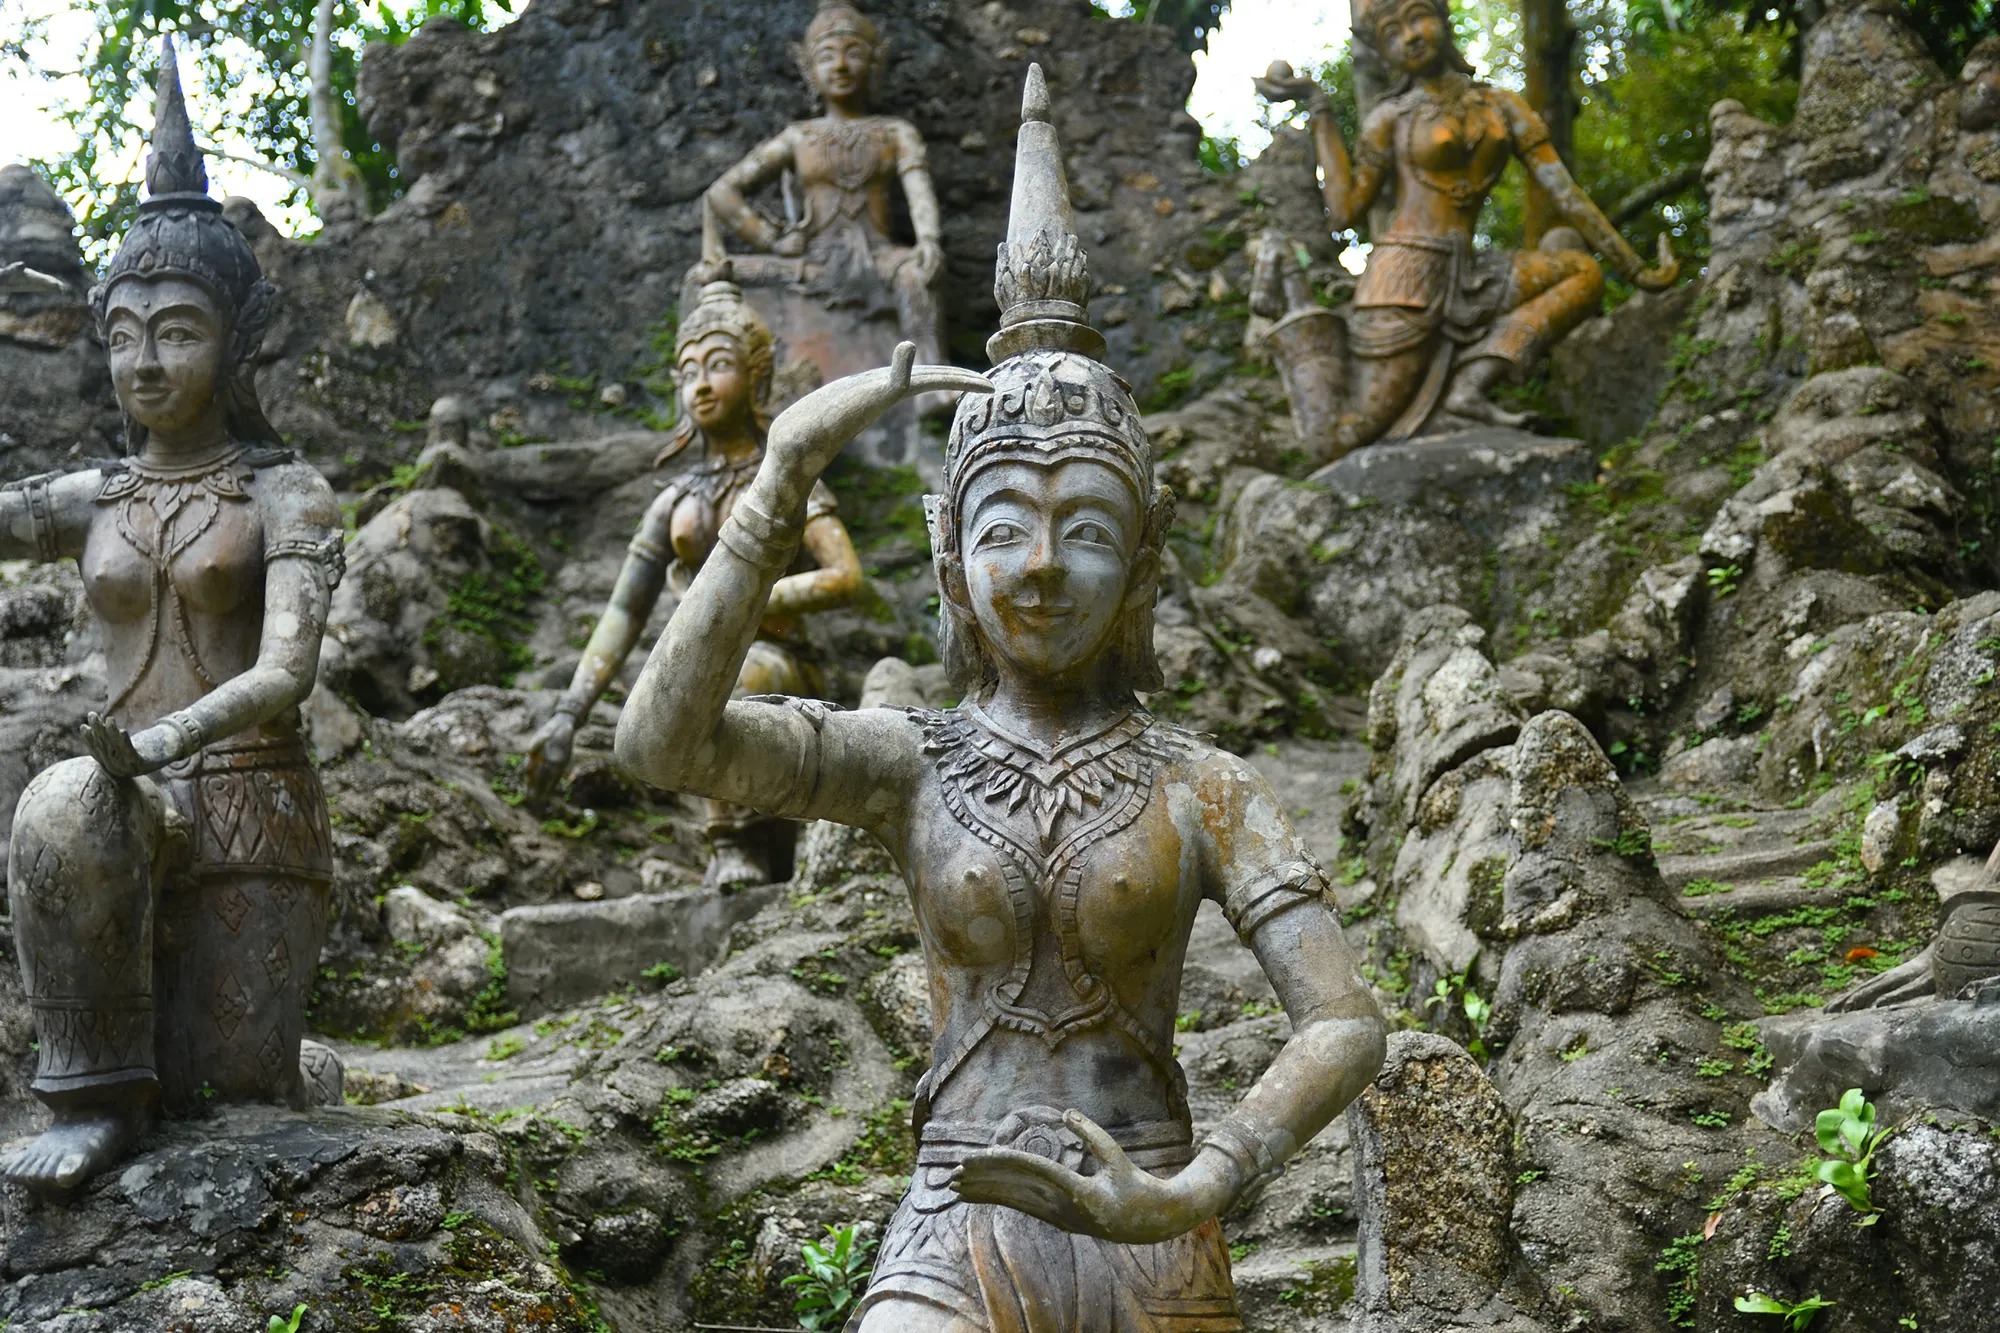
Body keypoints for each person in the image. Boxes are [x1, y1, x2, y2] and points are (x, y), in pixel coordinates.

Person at [614, 66, 1386, 1331]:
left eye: (1083, 527)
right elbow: (661, 745)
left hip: (1151, 1215)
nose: (1038, 565)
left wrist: (1202, 1177)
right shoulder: (906, 761)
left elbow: (1341, 1021)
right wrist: (781, 479)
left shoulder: (1200, 782)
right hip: (954, 1213)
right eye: (1002, 527)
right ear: (949, 568)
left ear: (1141, 563)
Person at [0, 39, 344, 1192]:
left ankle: (309, 1063)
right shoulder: (95, 494)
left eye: (179, 329)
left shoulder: (282, 490)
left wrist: (162, 743)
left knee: (230, 1090)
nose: (145, 361)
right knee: (63, 799)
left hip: (248, 799)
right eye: (123, 333)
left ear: (235, 338)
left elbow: (288, 666)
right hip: (120, 795)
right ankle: (87, 1097)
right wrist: (130, 766)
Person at [523, 270, 863, 888]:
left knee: (741, 671)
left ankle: (738, 843)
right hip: (697, 661)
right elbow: (623, 612)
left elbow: (845, 575)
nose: (701, 385)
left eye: (718, 365)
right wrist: (569, 714)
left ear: (756, 376)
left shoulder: (782, 477)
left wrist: (749, 603)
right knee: (671, 689)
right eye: (687, 372)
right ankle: (724, 844)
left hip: (779, 658)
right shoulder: (676, 499)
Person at [1256, 0, 1680, 449]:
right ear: (1382, 53)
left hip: (1474, 273)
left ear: (1443, 19)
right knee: (1348, 434)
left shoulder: (1502, 104)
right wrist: (1319, 107)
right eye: (1391, 33)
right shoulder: (1389, 118)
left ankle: (1469, 389)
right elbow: (1342, 212)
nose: (1411, 36)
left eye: (1418, 17)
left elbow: (1565, 193)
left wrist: (1635, 269)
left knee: (1582, 273)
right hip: (1404, 280)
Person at [702, 0, 951, 415]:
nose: (840, 66)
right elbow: (722, 192)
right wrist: (772, 240)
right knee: (714, 275)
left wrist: (928, 239)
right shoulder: (799, 137)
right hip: (812, 260)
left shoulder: (894, 132)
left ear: (874, 64)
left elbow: (918, 188)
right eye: (826, 56)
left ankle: (930, 379)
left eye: (853, 54)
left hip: (879, 258)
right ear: (809, 69)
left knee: (916, 274)